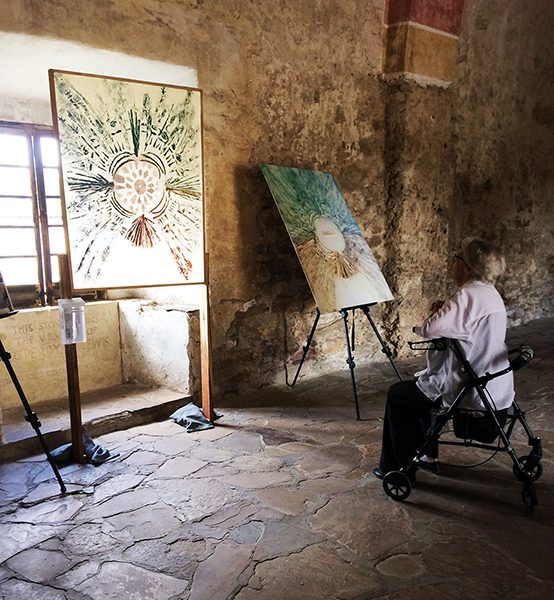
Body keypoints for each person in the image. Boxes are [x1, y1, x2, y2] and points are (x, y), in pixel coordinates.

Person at [373, 237, 514, 482]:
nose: (453, 261)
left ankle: (396, 470)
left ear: (469, 268)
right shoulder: (490, 293)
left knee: (399, 396)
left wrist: (441, 311)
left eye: (457, 257)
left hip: (469, 387)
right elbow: (464, 324)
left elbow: (430, 329)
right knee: (419, 390)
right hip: (494, 384)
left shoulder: (467, 296)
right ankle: (427, 455)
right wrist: (447, 307)